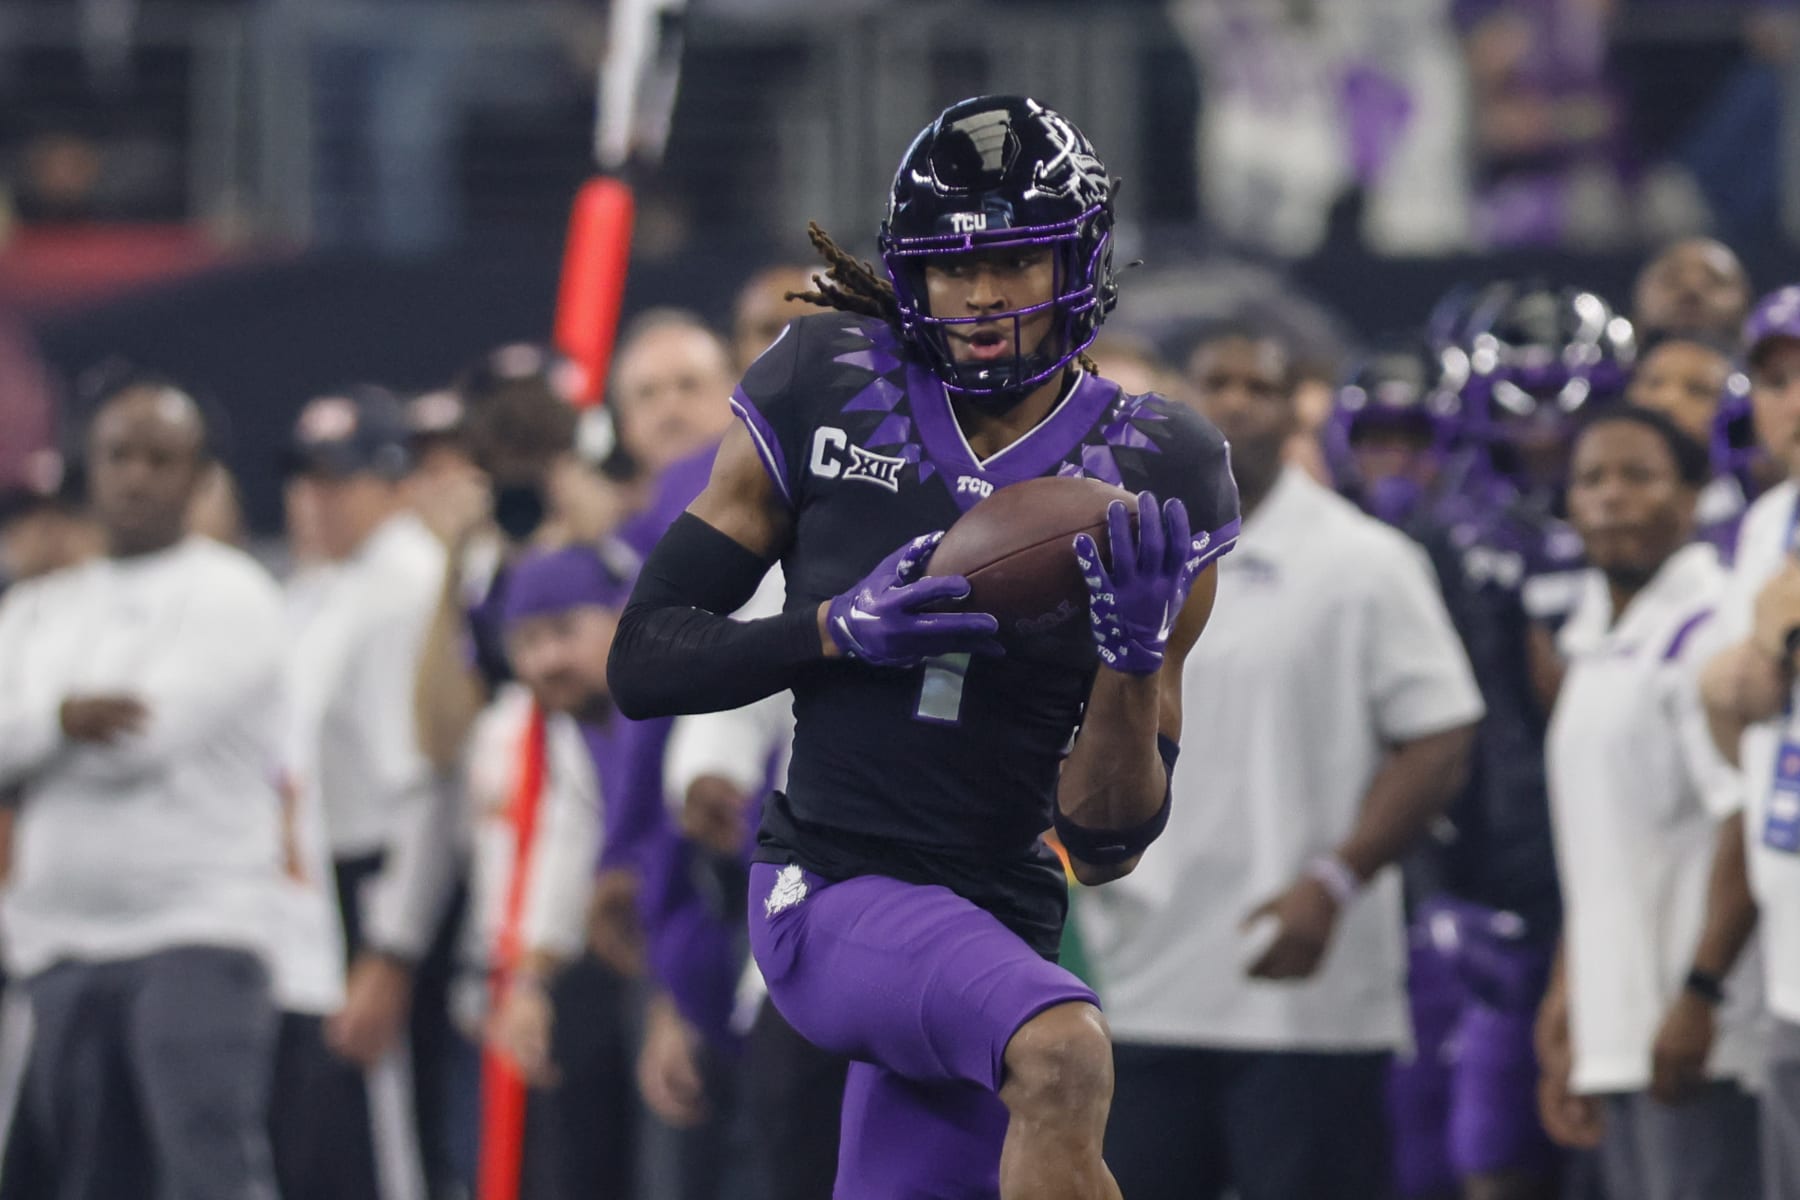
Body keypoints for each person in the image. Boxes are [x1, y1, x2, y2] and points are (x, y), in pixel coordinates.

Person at [607, 95, 1239, 1199]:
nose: (984, 296)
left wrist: (1132, 666)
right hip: (835, 881)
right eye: (953, 267)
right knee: (1061, 1052)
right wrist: (831, 633)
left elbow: (1104, 842)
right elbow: (646, 657)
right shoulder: (828, 382)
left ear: (1077, 261)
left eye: (1016, 262)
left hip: (1003, 906)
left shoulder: (1159, 465)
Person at [1079, 324, 1482, 1200]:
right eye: (1212, 382)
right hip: (1143, 975)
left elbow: (1442, 733)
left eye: (1255, 386)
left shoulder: (1369, 561)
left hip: (1307, 996)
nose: (1231, 402)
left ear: (1298, 409)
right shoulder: (1123, 553)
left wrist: (1337, 880)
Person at [0, 374, 286, 1200]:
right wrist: (62, 719)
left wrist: (32, 730)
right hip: (59, 946)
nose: (135, 476)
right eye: (119, 454)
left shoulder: (235, 593)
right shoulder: (37, 606)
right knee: (88, 1183)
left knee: (206, 1176)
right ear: (89, 466)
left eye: (161, 459)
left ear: (200, 480)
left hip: (196, 935)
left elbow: (143, 742)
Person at [1537, 407, 1764, 1199]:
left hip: (1707, 1039)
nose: (1611, 498)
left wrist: (1700, 997)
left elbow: (1745, 821)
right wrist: (1570, 1000)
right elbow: (1602, 848)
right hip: (1619, 1028)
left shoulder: (1713, 629)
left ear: (1693, 496)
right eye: (1592, 479)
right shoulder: (1592, 640)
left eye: (1638, 475)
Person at [281, 385, 458, 1200]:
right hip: (331, 891)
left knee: (398, 1147)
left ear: (394, 482)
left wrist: (390, 949)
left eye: (337, 479)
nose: (313, 499)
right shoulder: (330, 586)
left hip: (388, 887)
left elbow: (421, 779)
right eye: (305, 478)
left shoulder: (404, 581)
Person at [1696, 284, 1800, 1200]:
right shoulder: (1770, 525)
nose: (1796, 399)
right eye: (1776, 378)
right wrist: (1761, 649)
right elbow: (1734, 715)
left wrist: (1756, 658)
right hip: (1789, 963)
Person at [1632, 237, 1752, 343]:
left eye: (1712, 280)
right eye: (1672, 279)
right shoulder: (1616, 366)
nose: (1691, 290)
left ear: (1745, 298)